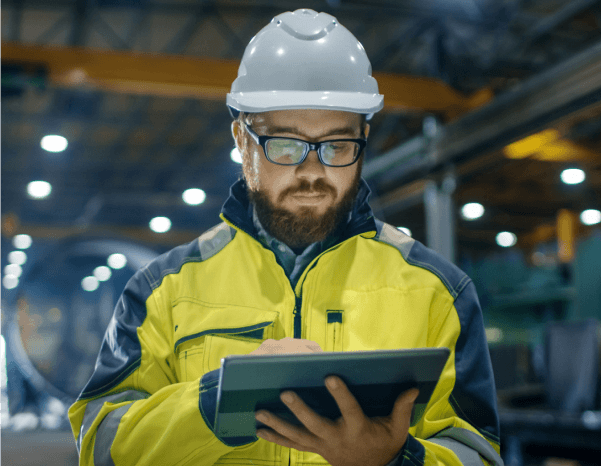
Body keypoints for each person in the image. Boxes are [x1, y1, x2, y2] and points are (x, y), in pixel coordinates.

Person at [69, 9, 503, 466]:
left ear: (364, 138)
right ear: (242, 138)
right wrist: (213, 405)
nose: (312, 172)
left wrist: (396, 460)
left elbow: (478, 452)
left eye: (337, 145)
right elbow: (100, 446)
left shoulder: (438, 292)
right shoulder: (163, 291)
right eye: (285, 145)